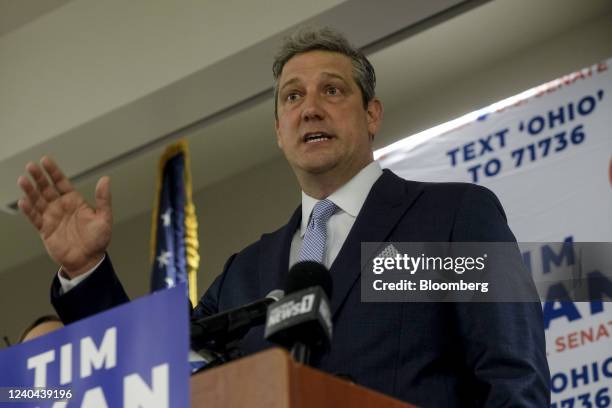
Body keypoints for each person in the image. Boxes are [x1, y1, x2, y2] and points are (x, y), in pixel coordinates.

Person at [17, 27, 550, 406]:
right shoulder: (245, 274)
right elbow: (159, 367)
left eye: (332, 90)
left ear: (371, 114)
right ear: (278, 130)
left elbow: (512, 378)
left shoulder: (450, 217)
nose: (310, 108)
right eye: (292, 97)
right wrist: (87, 270)